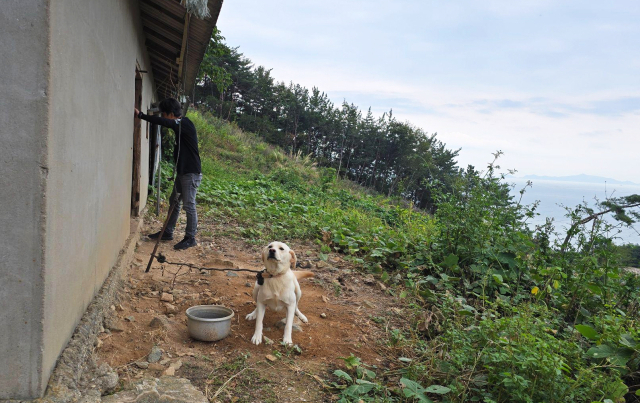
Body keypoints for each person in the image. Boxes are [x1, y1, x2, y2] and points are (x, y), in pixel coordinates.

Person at [134, 98, 202, 250]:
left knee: (189, 205)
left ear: (171, 114)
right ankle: (168, 232)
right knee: (174, 201)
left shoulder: (185, 123)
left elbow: (168, 123)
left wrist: (141, 116)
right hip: (183, 172)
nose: (164, 118)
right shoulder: (180, 125)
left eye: (164, 115)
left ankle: (190, 238)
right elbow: (169, 123)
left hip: (191, 173)